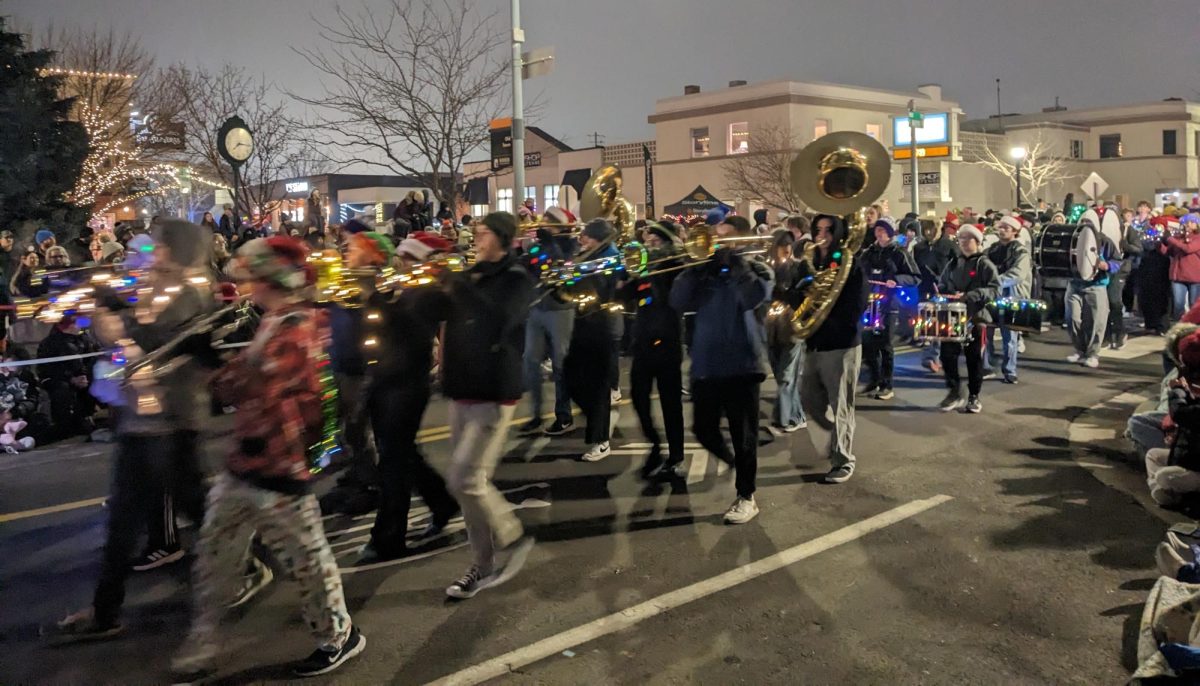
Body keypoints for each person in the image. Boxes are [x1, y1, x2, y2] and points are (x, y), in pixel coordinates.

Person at [172, 235, 365, 680]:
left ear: (270, 279)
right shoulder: (272, 321)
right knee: (214, 554)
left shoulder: (297, 327)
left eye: (252, 278)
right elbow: (243, 382)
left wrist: (206, 364)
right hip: (246, 460)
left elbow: (253, 385)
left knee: (308, 561)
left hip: (282, 465)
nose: (244, 287)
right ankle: (203, 641)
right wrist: (213, 364)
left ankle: (339, 636)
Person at [51, 220, 213, 642]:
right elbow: (118, 340)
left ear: (177, 252)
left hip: (173, 424)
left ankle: (250, 564)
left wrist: (109, 308)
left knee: (197, 508)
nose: (150, 254)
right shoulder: (153, 289)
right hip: (141, 422)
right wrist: (102, 306)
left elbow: (144, 336)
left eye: (159, 247)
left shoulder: (189, 293)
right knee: (124, 521)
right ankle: (106, 611)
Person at [426, 211, 535, 599]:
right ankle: (482, 565)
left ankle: (511, 535)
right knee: (469, 487)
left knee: (465, 480)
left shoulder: (518, 278)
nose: (477, 238)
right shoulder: (470, 276)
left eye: (483, 233)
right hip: (462, 388)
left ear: (502, 238)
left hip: (494, 390)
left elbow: (501, 318)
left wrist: (460, 287)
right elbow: (440, 316)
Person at [355, 230, 460, 564]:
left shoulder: (428, 293)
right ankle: (442, 501)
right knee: (401, 454)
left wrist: (378, 299)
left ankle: (388, 536)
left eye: (409, 258)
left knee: (393, 462)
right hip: (384, 378)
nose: (401, 262)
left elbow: (413, 332)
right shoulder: (400, 289)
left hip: (407, 383)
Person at [670, 214, 773, 523]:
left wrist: (736, 267)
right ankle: (732, 464)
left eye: (723, 237)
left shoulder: (757, 269)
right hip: (707, 362)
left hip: (743, 363)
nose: (715, 242)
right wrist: (695, 268)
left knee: (744, 436)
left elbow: (752, 299)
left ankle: (746, 495)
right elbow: (677, 301)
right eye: (715, 236)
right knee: (703, 429)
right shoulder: (706, 273)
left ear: (738, 241)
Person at [777, 214, 868, 484]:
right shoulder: (809, 262)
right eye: (818, 229)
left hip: (841, 344)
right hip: (814, 342)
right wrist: (785, 294)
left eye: (828, 230)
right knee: (809, 400)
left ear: (838, 233)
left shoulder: (852, 265)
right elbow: (800, 295)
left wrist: (824, 313)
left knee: (841, 405)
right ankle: (839, 434)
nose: (822, 235)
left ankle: (843, 459)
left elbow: (856, 306)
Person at [616, 220, 687, 478]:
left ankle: (676, 456)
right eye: (647, 242)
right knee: (638, 399)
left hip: (667, 342)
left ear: (667, 243)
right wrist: (624, 277)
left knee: (671, 404)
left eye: (654, 242)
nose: (648, 247)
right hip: (643, 341)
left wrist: (656, 266)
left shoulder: (676, 265)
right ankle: (655, 445)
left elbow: (675, 296)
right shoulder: (642, 269)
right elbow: (625, 297)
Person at [562, 218, 621, 461]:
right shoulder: (587, 256)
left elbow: (604, 286)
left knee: (597, 386)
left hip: (601, 326)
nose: (581, 239)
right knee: (570, 378)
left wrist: (577, 270)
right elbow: (568, 288)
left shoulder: (610, 258)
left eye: (585, 236)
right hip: (582, 323)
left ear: (597, 238)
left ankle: (601, 440)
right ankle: (597, 423)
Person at [517, 206, 578, 437]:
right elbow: (532, 266)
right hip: (537, 308)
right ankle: (535, 415)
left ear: (561, 227)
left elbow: (562, 270)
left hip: (560, 309)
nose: (542, 225)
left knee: (561, 363)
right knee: (530, 361)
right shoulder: (539, 245)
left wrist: (548, 245)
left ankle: (564, 415)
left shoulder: (570, 245)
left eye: (549, 223)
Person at [936, 225, 1000, 413]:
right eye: (961, 238)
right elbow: (942, 283)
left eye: (968, 238)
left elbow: (996, 289)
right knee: (947, 355)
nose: (963, 242)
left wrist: (972, 295)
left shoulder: (984, 264)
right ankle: (954, 391)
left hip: (976, 317)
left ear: (978, 241)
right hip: (953, 316)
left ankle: (974, 396)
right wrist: (946, 292)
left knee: (974, 359)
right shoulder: (953, 263)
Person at [857, 218, 918, 400]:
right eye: (877, 230)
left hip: (889, 304)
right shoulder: (869, 252)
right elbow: (859, 271)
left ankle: (887, 385)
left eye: (883, 230)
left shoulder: (899, 253)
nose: (879, 233)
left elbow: (915, 276)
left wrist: (897, 280)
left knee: (885, 345)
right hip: (869, 303)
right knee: (868, 344)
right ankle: (874, 380)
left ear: (890, 233)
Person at [1145, 324, 1200, 509]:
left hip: (1195, 465)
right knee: (1153, 456)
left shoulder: (1184, 385)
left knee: (1163, 476)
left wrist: (1178, 391)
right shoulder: (1186, 380)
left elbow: (1182, 414)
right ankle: (1166, 493)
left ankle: (1175, 495)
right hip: (1188, 456)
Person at [764, 231, 808, 432]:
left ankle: (782, 419)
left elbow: (806, 294)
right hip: (771, 328)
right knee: (781, 373)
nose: (786, 249)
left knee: (786, 376)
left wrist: (789, 293)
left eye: (789, 245)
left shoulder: (799, 267)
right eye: (782, 245)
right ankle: (797, 415)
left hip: (791, 328)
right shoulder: (767, 267)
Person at [982, 215, 1032, 384]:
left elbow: (1018, 274)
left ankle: (1010, 370)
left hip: (1012, 295)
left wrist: (994, 282)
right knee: (985, 332)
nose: (1001, 230)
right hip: (993, 295)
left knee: (1010, 337)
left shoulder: (1021, 251)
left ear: (1015, 231)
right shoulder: (991, 249)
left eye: (1006, 227)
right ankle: (987, 367)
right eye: (1000, 227)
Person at [1068, 216, 1122, 369]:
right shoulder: (1073, 239)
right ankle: (1080, 349)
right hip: (1074, 284)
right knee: (1072, 318)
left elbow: (1118, 261)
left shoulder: (1104, 241)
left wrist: (1107, 265)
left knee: (1096, 322)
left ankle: (1093, 353)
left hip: (1096, 285)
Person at [37, 315, 99, 440]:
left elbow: (91, 358)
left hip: (81, 376)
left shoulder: (84, 339)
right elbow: (48, 369)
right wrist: (70, 378)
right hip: (58, 379)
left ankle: (85, 417)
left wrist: (84, 376)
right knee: (61, 391)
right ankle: (64, 426)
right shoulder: (49, 344)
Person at [914, 219, 955, 373]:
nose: (929, 232)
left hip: (944, 290)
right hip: (925, 289)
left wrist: (949, 284)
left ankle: (937, 357)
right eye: (926, 229)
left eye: (932, 229)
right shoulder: (919, 247)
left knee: (942, 325)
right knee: (928, 324)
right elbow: (915, 267)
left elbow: (957, 265)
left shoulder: (949, 245)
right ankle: (929, 358)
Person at [1106, 209, 1144, 349]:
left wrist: (1125, 245)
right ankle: (1107, 335)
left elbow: (1138, 248)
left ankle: (1119, 332)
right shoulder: (1100, 229)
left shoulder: (1126, 229)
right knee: (1103, 303)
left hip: (1120, 269)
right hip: (1105, 268)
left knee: (1114, 300)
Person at [1139, 208, 1173, 335]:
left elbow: (1169, 249)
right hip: (1148, 267)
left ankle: (1162, 325)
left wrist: (1161, 242)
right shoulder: (1147, 233)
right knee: (1148, 296)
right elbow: (1144, 245)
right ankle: (1150, 323)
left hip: (1162, 268)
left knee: (1162, 298)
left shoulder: (1168, 235)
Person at [1164, 213, 1200, 321]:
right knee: (1178, 304)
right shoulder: (1179, 237)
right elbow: (1168, 252)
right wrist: (1159, 242)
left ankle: (1194, 328)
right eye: (1186, 222)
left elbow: (1188, 249)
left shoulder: (1198, 237)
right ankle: (1178, 328)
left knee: (1194, 304)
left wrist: (1170, 239)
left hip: (1195, 277)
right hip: (1178, 276)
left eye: (1192, 222)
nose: (1188, 225)